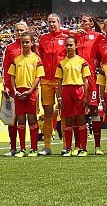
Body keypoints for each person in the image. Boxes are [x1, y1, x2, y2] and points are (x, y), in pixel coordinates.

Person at [37, 13, 70, 156]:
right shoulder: (43, 39)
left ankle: (65, 145)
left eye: (54, 22)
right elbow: (40, 56)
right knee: (48, 112)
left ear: (59, 22)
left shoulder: (66, 37)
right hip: (46, 80)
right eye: (49, 22)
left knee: (63, 112)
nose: (51, 24)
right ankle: (47, 146)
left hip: (61, 79)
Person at [7, 32, 43, 158]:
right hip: (19, 93)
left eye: (27, 42)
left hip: (31, 92)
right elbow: (12, 76)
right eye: (23, 42)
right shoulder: (16, 60)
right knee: (21, 121)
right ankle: (22, 149)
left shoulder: (36, 58)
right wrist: (15, 90)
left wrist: (30, 91)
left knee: (32, 120)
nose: (25, 44)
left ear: (32, 43)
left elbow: (38, 77)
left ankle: (33, 148)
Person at [56, 35, 91, 157]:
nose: (69, 47)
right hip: (66, 91)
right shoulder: (61, 63)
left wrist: (86, 97)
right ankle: (68, 148)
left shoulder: (82, 62)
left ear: (76, 46)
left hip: (78, 91)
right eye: (67, 45)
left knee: (81, 119)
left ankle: (83, 148)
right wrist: (59, 97)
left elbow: (86, 80)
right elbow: (59, 81)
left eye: (71, 44)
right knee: (68, 120)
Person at [76, 14, 106, 154]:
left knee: (94, 109)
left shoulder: (97, 36)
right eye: (81, 21)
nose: (82, 23)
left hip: (92, 76)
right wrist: (72, 32)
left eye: (84, 21)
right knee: (78, 111)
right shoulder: (76, 36)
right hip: (76, 76)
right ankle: (81, 146)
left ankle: (98, 146)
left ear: (91, 23)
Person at [0, 21, 29, 156]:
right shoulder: (10, 48)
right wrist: (6, 85)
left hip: (28, 87)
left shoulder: (31, 46)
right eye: (17, 30)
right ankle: (13, 148)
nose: (19, 32)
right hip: (12, 88)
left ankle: (28, 147)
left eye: (21, 30)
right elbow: (6, 68)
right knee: (12, 120)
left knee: (30, 118)